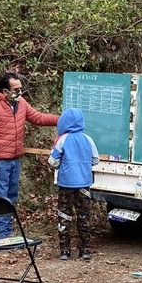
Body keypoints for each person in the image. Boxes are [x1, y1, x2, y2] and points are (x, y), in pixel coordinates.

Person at [0, 72, 59, 238]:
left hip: (15, 158)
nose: (20, 92)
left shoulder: (21, 103)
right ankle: (1, 235)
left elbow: (38, 117)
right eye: (16, 89)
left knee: (12, 197)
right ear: (5, 91)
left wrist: (61, 119)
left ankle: (8, 232)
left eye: (21, 89)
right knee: (0, 198)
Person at [48, 108, 99, 261]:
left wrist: (62, 166)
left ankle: (65, 251)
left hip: (66, 184)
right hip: (84, 184)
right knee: (84, 216)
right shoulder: (88, 139)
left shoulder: (62, 139)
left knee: (64, 215)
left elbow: (52, 161)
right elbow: (95, 160)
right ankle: (85, 251)